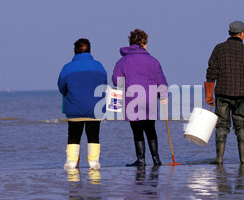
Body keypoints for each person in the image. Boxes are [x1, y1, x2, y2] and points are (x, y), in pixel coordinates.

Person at [205, 21, 244, 164]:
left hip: (222, 94)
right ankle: (243, 158)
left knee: (222, 126)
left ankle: (219, 159)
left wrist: (208, 95)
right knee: (241, 125)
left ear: (230, 33)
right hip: (242, 95)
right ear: (242, 34)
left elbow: (211, 73)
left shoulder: (219, 49)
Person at [112, 29, 168, 166]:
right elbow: (161, 80)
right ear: (143, 43)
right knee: (150, 128)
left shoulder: (123, 61)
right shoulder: (153, 60)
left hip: (132, 98)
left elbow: (116, 81)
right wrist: (163, 95)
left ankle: (141, 159)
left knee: (137, 130)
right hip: (150, 98)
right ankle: (156, 159)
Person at [58, 38, 108, 170]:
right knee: (93, 134)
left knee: (74, 135)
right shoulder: (99, 66)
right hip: (94, 108)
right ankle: (94, 162)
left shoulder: (67, 67)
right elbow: (104, 85)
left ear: (74, 51)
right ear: (90, 51)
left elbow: (61, 88)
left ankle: (71, 162)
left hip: (74, 108)